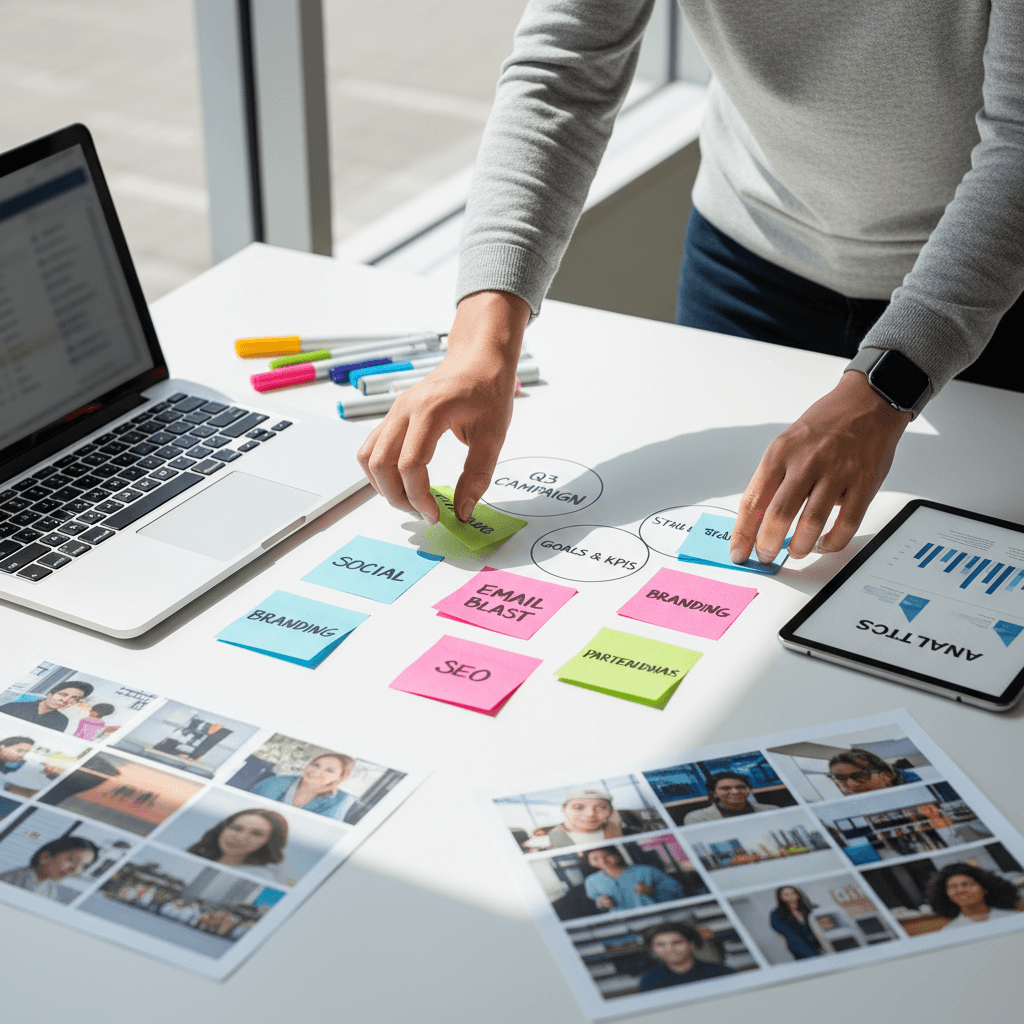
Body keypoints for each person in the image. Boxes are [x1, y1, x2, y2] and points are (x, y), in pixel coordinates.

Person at [357, 1, 1024, 570]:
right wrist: (482, 343)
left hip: (989, 297)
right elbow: (562, 75)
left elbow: (1019, 149)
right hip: (749, 265)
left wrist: (885, 389)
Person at [187, 808, 289, 880]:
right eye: (236, 828)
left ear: (270, 842)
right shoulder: (194, 857)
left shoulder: (261, 876)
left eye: (256, 834)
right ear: (223, 828)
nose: (240, 838)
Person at [251, 752, 355, 821]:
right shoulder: (276, 781)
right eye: (316, 765)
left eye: (329, 770)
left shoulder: (340, 799)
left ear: (340, 777)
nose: (317, 771)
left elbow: (320, 832)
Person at [636, 920, 736, 990]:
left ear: (691, 945)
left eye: (677, 943)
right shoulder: (649, 981)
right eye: (660, 945)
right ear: (653, 949)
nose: (669, 949)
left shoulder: (720, 972)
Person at [530, 787, 641, 850]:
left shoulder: (627, 832)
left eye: (601, 807)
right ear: (564, 809)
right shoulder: (552, 837)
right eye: (578, 807)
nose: (590, 814)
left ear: (611, 811)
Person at [582, 847, 684, 912]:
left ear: (616, 856)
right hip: (623, 921)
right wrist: (602, 902)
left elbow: (676, 888)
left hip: (654, 913)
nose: (602, 861)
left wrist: (652, 890)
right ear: (590, 863)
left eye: (606, 856)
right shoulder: (591, 881)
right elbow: (595, 900)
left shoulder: (645, 870)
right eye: (595, 859)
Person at [0, 835, 99, 901]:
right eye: (72, 860)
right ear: (45, 857)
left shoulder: (50, 889)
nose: (75, 870)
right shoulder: (13, 879)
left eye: (83, 866)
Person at [929, 862, 1023, 929]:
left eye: (968, 884)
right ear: (946, 895)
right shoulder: (950, 932)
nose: (961, 890)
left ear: (985, 888)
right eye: (953, 887)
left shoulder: (1014, 918)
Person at [682, 772, 777, 824]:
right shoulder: (697, 818)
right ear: (714, 793)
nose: (735, 792)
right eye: (725, 788)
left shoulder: (772, 809)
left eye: (740, 787)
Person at [0, 681, 94, 733]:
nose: (65, 700)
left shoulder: (62, 720)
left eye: (74, 699)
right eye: (63, 694)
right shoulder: (14, 707)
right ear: (49, 694)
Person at [827, 749, 922, 795]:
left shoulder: (920, 788)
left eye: (859, 775)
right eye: (841, 778)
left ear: (887, 775)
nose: (852, 784)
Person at [769, 886, 823, 960]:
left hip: (823, 946)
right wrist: (811, 956)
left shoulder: (811, 908)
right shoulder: (776, 915)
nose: (790, 897)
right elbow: (791, 936)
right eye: (786, 895)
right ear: (780, 897)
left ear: (798, 894)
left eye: (792, 893)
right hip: (802, 952)